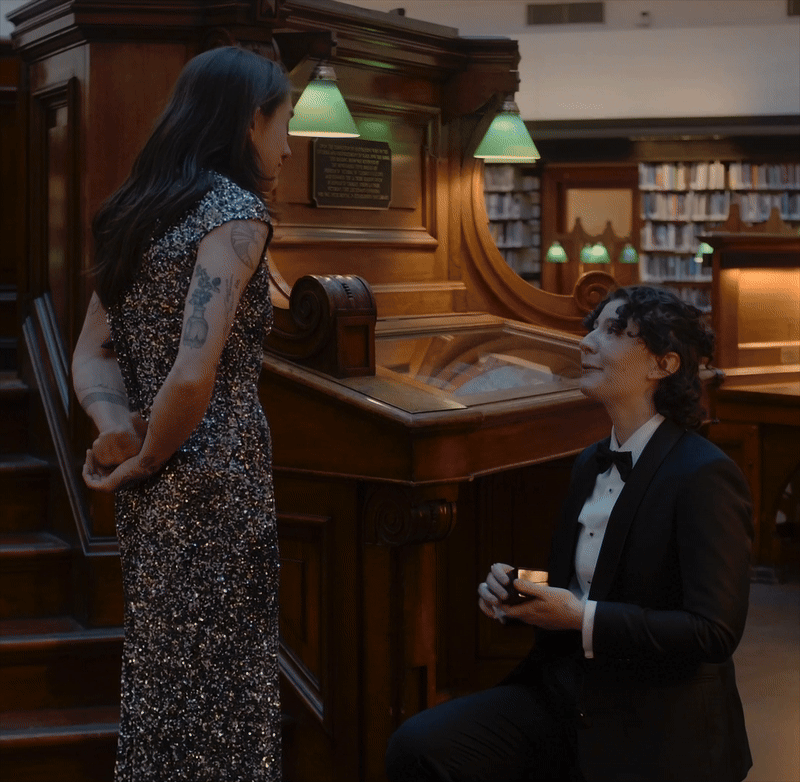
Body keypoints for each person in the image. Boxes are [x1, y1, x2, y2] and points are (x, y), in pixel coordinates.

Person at [385, 285, 753, 782]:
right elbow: (580, 585)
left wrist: (580, 618)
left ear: (663, 365)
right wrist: (518, 589)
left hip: (655, 717)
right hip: (566, 691)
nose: (586, 343)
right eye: (592, 329)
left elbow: (713, 632)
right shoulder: (588, 462)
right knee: (419, 747)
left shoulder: (704, 475)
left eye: (614, 332)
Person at [71, 46, 292, 781]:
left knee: (164, 676)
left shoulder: (139, 210)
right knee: (227, 687)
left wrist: (116, 432)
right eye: (283, 124)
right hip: (217, 471)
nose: (287, 146)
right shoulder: (236, 215)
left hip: (151, 484)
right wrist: (149, 454)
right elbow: (195, 373)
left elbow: (92, 353)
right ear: (250, 121)